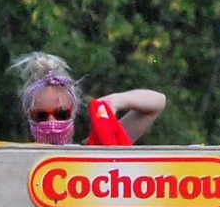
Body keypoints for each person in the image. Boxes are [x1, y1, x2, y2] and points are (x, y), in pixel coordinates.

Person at [9, 52, 167, 145]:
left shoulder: (95, 152)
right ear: (29, 115)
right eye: (41, 116)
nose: (52, 122)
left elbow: (157, 103)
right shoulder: (8, 160)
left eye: (61, 114)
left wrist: (115, 101)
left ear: (73, 111)